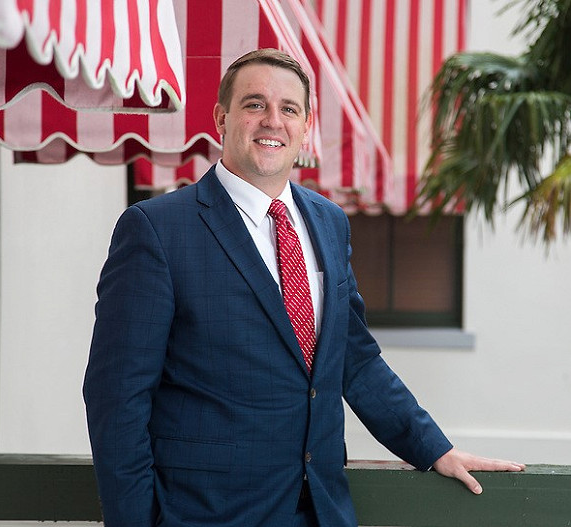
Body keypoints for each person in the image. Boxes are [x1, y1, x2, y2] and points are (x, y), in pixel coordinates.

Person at [83, 48, 524, 527]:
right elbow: (117, 397)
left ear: (305, 125)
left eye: (289, 109)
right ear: (221, 118)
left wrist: (433, 447)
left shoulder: (329, 222)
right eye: (254, 105)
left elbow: (354, 358)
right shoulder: (156, 229)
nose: (273, 121)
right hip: (205, 513)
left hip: (322, 510)